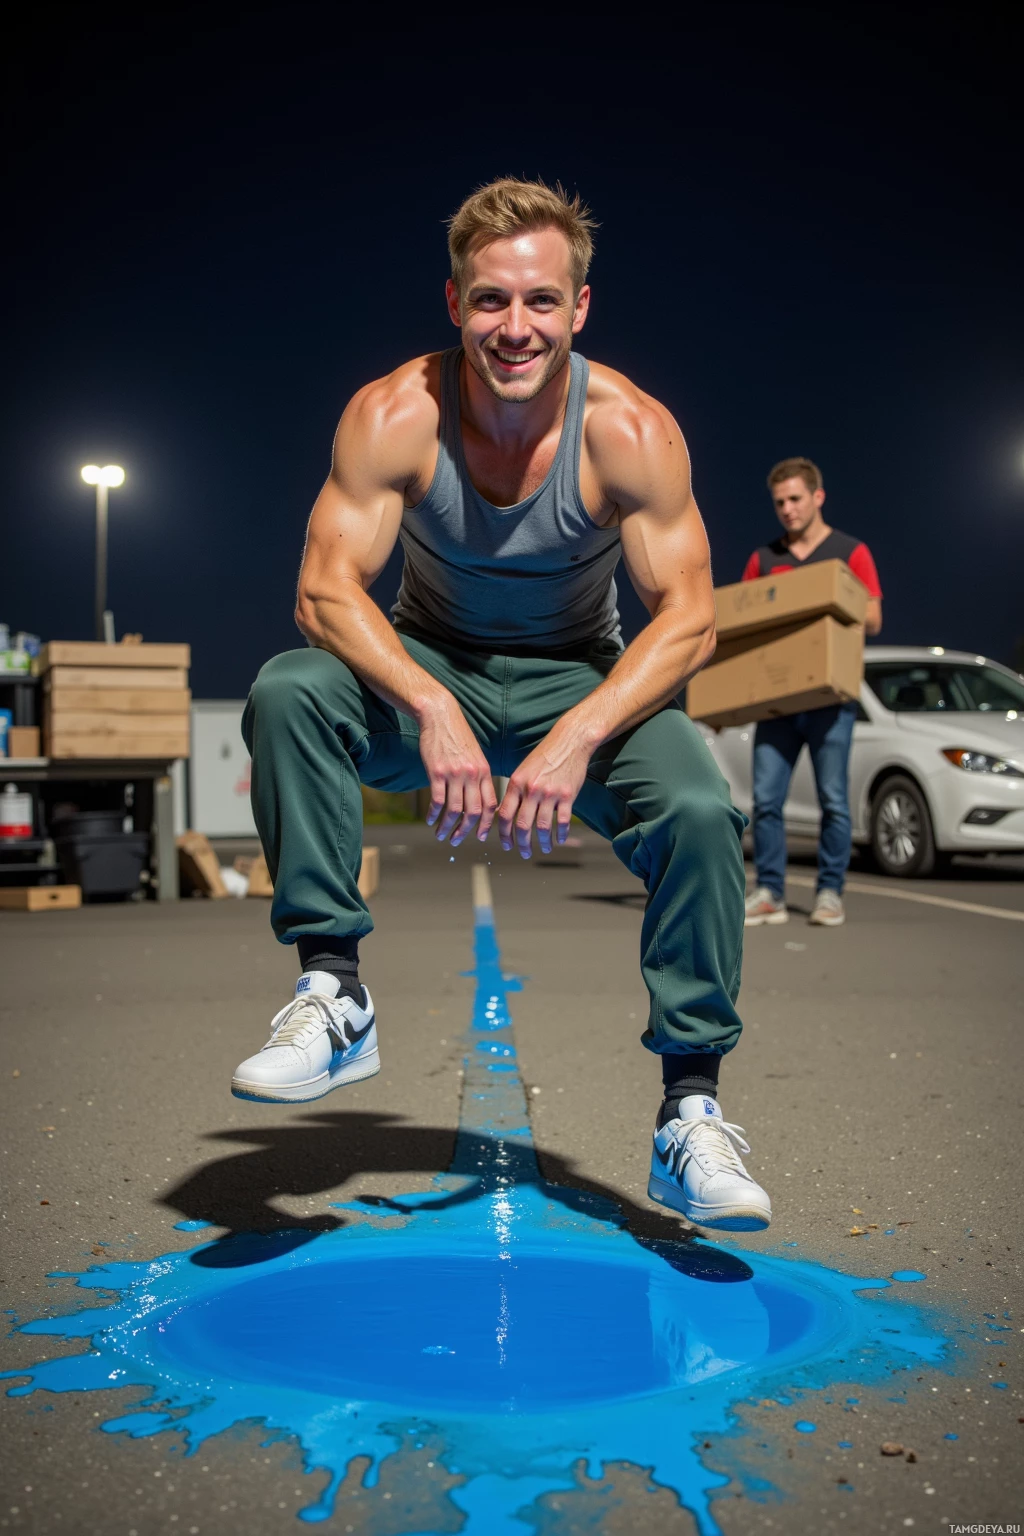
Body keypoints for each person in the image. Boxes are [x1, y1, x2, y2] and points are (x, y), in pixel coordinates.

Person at [232, 178, 771, 1232]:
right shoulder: (393, 416)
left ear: (579, 308)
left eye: (538, 301)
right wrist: (434, 708)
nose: (513, 327)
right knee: (290, 690)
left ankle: (689, 1110)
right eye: (489, 301)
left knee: (701, 808)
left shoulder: (632, 433)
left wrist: (576, 736)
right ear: (452, 304)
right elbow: (323, 593)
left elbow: (690, 620)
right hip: (431, 666)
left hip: (581, 675)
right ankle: (336, 992)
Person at [742, 457, 882, 928]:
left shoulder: (850, 552)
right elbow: (744, 618)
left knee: (834, 802)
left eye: (796, 499)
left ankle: (829, 894)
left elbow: (874, 617)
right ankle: (770, 894)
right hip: (779, 702)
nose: (787, 509)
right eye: (780, 502)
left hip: (829, 701)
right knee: (765, 801)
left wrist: (822, 599)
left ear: (818, 497)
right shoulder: (764, 559)